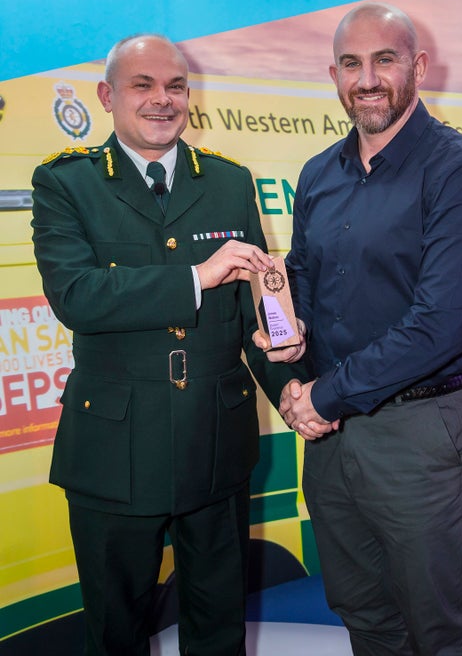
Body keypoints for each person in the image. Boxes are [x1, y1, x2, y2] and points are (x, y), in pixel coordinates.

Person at [31, 34, 305, 656]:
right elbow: (76, 295)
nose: (163, 99)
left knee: (218, 632)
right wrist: (196, 277)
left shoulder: (230, 182)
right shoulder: (66, 182)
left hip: (216, 443)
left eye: (175, 86)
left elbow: (255, 310)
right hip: (114, 450)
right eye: (143, 85)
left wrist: (291, 384)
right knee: (115, 634)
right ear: (107, 96)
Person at [267, 3, 462, 655]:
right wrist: (286, 341)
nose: (366, 79)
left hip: (416, 433)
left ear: (418, 67)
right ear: (334, 76)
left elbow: (439, 325)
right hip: (329, 438)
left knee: (441, 631)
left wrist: (323, 396)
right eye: (351, 64)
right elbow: (301, 277)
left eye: (384, 60)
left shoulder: (460, 172)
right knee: (363, 615)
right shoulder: (317, 173)